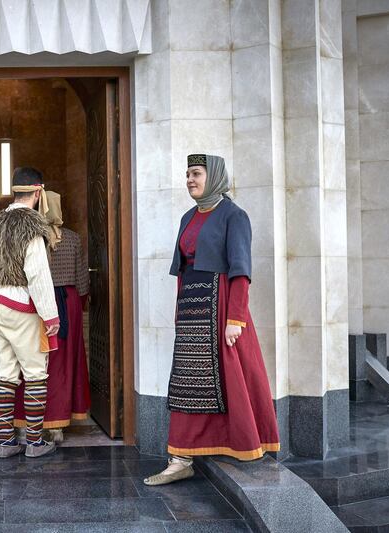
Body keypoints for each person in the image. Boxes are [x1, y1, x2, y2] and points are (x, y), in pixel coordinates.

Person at [144, 154, 280, 485]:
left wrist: (235, 319)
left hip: (220, 312)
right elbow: (184, 271)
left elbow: (241, 272)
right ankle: (180, 458)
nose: (189, 179)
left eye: (196, 173)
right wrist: (180, 312)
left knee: (228, 380)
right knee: (185, 385)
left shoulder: (235, 216)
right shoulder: (188, 217)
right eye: (187, 174)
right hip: (193, 312)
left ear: (214, 175)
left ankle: (238, 444)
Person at [0, 167, 60, 459]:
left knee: (6, 374)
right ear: (38, 192)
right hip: (22, 306)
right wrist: (51, 316)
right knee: (36, 373)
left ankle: (6, 443)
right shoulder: (32, 226)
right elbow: (37, 275)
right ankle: (35, 443)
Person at [14, 191, 90, 442]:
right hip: (68, 305)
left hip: (36, 304)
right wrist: (79, 305)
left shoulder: (31, 238)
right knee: (64, 364)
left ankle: (30, 422)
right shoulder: (74, 239)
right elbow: (82, 282)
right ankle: (57, 425)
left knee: (32, 361)